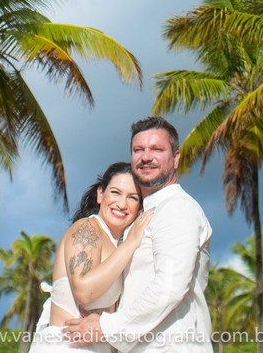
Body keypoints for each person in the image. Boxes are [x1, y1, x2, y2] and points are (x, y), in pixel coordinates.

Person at [64, 116, 214, 353]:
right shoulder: (143, 216)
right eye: (138, 149)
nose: (146, 156)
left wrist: (105, 327)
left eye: (157, 149)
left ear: (176, 158)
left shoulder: (176, 207)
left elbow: (170, 286)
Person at [29, 162, 154, 353]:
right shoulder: (86, 228)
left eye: (132, 198)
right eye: (115, 192)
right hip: (66, 346)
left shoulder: (116, 248)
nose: (122, 204)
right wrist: (130, 243)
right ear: (100, 194)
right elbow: (84, 291)